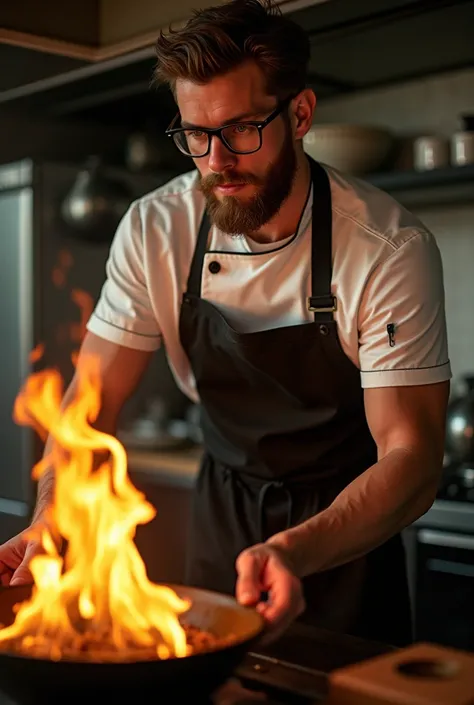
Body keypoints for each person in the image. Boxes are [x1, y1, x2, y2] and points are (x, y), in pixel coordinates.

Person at [0, 0, 450, 647]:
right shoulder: (156, 229)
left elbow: (412, 457)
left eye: (241, 129)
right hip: (218, 514)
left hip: (346, 531)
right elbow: (87, 406)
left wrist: (292, 550)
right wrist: (52, 517)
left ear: (299, 114)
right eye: (195, 135)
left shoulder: (385, 247)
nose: (216, 161)